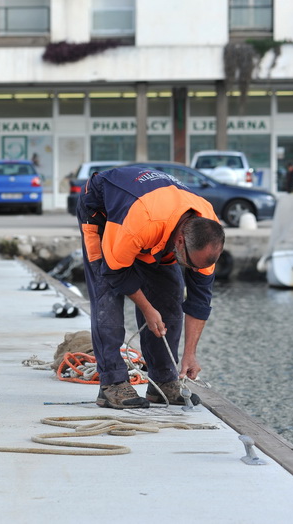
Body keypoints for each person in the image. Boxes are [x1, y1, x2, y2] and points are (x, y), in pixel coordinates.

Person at [77, 165, 225, 409]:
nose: (192, 269)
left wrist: (190, 353)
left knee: (169, 295)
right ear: (180, 242)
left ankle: (163, 381)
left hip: (156, 223)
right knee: (108, 297)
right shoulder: (141, 222)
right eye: (189, 263)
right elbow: (116, 272)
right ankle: (112, 383)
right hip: (104, 213)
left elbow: (200, 300)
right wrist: (147, 308)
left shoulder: (205, 229)